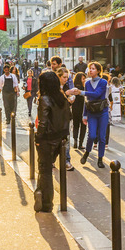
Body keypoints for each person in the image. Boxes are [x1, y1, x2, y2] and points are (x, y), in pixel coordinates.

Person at [33, 71, 71, 213]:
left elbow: (42, 123)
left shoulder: (45, 99)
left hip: (47, 140)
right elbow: (68, 118)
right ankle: (41, 193)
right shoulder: (62, 98)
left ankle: (46, 203)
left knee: (45, 170)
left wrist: (38, 138)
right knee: (46, 168)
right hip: (60, 139)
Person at [69, 61, 109, 168]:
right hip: (92, 112)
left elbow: (97, 94)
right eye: (90, 68)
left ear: (98, 71)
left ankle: (100, 159)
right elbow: (87, 100)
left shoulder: (103, 82)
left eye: (93, 68)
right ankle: (87, 152)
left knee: (102, 137)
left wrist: (81, 92)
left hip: (102, 111)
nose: (90, 70)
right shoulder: (87, 83)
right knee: (91, 135)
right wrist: (84, 115)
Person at [55, 67, 75, 171]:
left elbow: (67, 102)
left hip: (66, 115)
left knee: (66, 139)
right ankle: (52, 160)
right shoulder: (54, 88)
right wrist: (65, 95)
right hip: (56, 117)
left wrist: (71, 99)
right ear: (58, 77)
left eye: (67, 77)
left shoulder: (67, 86)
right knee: (55, 139)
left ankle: (67, 160)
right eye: (64, 77)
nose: (66, 79)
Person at [71, 72, 87, 149]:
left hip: (75, 109)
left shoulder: (73, 88)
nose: (84, 80)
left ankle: (75, 141)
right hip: (83, 110)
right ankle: (80, 143)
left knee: (75, 125)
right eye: (83, 79)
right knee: (83, 126)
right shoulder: (83, 89)